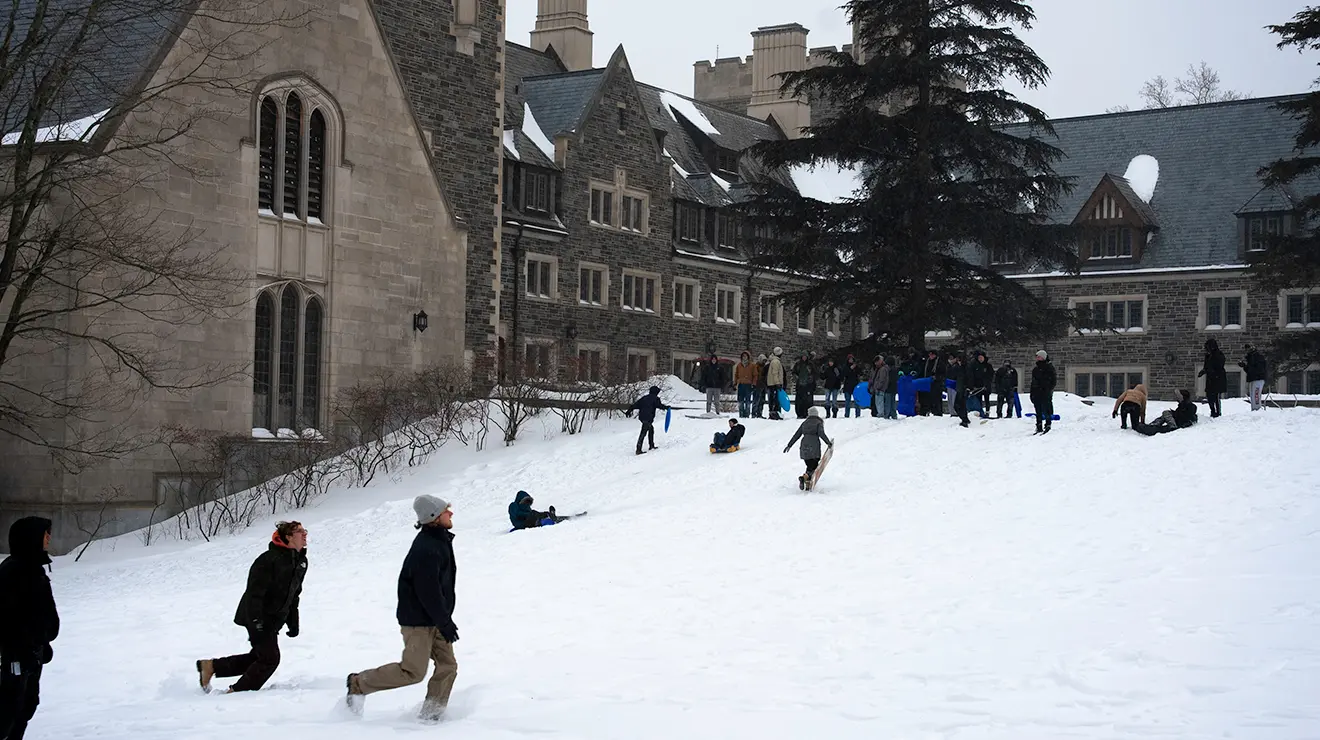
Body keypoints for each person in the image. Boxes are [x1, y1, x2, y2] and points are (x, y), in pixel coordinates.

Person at [347, 496, 459, 721]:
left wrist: (443, 619)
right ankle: (359, 683)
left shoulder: (439, 540)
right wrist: (444, 622)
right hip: (418, 621)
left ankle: (431, 716)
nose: (451, 513)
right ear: (434, 517)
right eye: (447, 510)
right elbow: (427, 591)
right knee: (413, 672)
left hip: (435, 617)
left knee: (448, 665)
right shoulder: (427, 548)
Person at [197, 521, 309, 694]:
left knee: (258, 657)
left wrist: (293, 621)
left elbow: (294, 594)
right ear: (288, 537)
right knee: (270, 659)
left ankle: (211, 666)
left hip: (275, 618)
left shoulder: (301, 561)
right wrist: (256, 620)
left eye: (304, 531)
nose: (304, 534)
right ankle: (238, 692)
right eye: (299, 531)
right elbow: (254, 592)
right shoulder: (268, 560)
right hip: (257, 615)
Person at [0, 518, 58, 740]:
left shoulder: (31, 568)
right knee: (10, 711)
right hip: (16, 659)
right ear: (31, 538)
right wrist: (25, 645)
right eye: (45, 534)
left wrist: (41, 644)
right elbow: (10, 617)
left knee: (24, 707)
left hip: (30, 656)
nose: (49, 538)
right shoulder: (18, 571)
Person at [783, 406, 834, 490]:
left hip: (804, 447)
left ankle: (806, 482)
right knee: (813, 467)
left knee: (809, 466)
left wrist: (789, 445)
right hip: (814, 448)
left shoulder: (805, 423)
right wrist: (828, 443)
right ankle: (804, 478)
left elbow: (797, 435)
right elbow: (821, 433)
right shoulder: (818, 422)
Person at [626, 385, 671, 455]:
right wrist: (666, 407)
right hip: (648, 417)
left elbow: (635, 405)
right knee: (643, 432)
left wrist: (629, 410)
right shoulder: (656, 399)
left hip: (642, 417)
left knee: (651, 429)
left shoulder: (644, 398)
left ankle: (651, 445)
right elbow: (659, 405)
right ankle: (638, 449)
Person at [1134, 390, 1198, 435]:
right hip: (1176, 421)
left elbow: (1184, 417)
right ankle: (1152, 425)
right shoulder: (1183, 405)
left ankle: (1151, 427)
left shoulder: (1190, 406)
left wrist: (1174, 414)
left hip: (1177, 424)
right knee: (1164, 416)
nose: (1177, 399)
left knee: (1166, 413)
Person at [1198, 338, 1227, 418]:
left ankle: (1218, 412)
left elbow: (1219, 366)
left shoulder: (1219, 355)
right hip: (1210, 378)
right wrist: (1203, 371)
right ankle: (1212, 411)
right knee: (1209, 395)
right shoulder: (1207, 356)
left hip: (1218, 378)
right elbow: (1206, 366)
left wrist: (1212, 371)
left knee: (1216, 396)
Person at [1029, 349, 1057, 434]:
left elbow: (1053, 380)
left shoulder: (1049, 368)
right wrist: (1032, 393)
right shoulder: (1036, 369)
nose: (1038, 358)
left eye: (1039, 357)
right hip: (1037, 392)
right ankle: (1039, 425)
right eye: (1037, 357)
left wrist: (1048, 389)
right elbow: (1033, 382)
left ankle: (1048, 424)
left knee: (1046, 409)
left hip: (1045, 392)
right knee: (1038, 410)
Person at [1240, 344, 1268, 411]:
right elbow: (1250, 370)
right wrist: (1244, 366)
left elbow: (1258, 369)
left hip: (1258, 378)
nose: (1247, 351)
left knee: (1256, 395)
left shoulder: (1257, 357)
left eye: (1248, 349)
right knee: (1253, 395)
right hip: (1253, 378)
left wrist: (1248, 367)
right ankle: (1254, 409)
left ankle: (1257, 410)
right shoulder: (1250, 358)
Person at [947, 354, 971, 427]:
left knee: (960, 405)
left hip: (963, 388)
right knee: (959, 405)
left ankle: (964, 419)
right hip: (959, 387)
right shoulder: (959, 368)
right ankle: (964, 419)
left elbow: (969, 378)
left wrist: (968, 388)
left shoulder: (966, 368)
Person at [792, 353, 817, 419]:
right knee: (799, 401)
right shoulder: (798, 364)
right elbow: (794, 372)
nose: (804, 358)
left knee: (808, 401)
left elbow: (814, 374)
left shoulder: (810, 364)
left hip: (808, 385)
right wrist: (796, 377)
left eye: (805, 356)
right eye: (803, 356)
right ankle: (800, 414)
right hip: (800, 385)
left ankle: (807, 413)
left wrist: (811, 379)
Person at [733, 351, 757, 418]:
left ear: (748, 357)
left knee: (748, 401)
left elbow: (755, 375)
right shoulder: (739, 365)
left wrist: (754, 384)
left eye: (745, 356)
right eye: (743, 356)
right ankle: (741, 413)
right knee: (740, 401)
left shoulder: (752, 366)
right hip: (741, 384)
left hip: (748, 385)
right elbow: (736, 375)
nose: (744, 357)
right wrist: (735, 383)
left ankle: (747, 414)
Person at [970, 351, 992, 419]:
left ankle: (987, 412)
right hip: (978, 387)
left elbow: (990, 376)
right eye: (979, 358)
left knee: (987, 400)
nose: (980, 359)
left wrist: (987, 384)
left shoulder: (988, 366)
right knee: (978, 400)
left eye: (981, 357)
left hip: (986, 386)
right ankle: (980, 412)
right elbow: (972, 376)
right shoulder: (975, 366)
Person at [766, 348, 785, 421]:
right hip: (774, 384)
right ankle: (774, 414)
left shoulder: (773, 361)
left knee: (773, 399)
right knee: (775, 400)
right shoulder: (776, 361)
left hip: (772, 383)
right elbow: (775, 373)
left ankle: (773, 413)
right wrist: (778, 383)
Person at [753, 354, 769, 419]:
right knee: (756, 400)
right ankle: (754, 413)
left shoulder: (765, 367)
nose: (764, 362)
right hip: (757, 385)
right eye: (763, 360)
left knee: (762, 400)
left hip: (763, 385)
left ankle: (759, 413)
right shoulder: (756, 366)